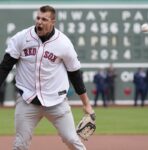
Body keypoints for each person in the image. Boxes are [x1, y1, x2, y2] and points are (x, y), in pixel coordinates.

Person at [0, 5, 95, 150]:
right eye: (38, 18)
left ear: (53, 22)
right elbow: (4, 67)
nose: (39, 22)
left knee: (71, 140)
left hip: (57, 102)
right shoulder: (21, 38)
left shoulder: (63, 43)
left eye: (44, 19)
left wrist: (86, 104)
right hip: (28, 101)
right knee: (20, 145)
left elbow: (75, 74)